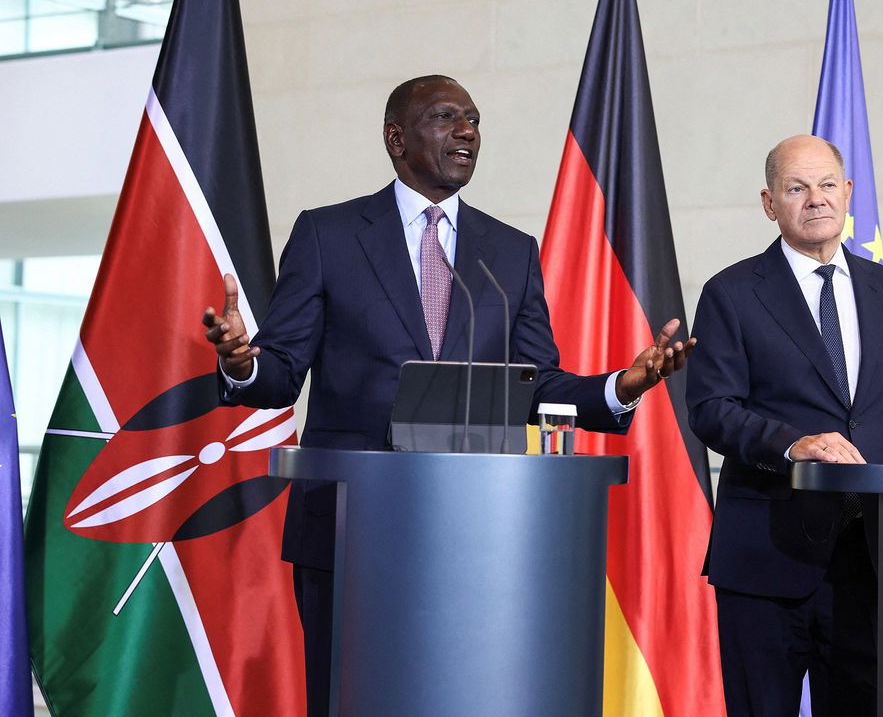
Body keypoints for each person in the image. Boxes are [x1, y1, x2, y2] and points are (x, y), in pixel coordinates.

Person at [201, 74, 694, 716]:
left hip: (476, 529)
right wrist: (243, 361)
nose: (467, 131)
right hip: (351, 527)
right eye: (445, 117)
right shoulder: (328, 234)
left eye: (474, 120)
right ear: (395, 138)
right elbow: (283, 372)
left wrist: (620, 387)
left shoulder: (509, 252)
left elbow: (536, 382)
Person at [685, 135, 883, 717]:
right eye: (796, 188)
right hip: (768, 553)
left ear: (849, 192)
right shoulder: (731, 292)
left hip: (870, 558)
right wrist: (791, 444)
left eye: (827, 185)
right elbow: (710, 408)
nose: (816, 199)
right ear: (768, 202)